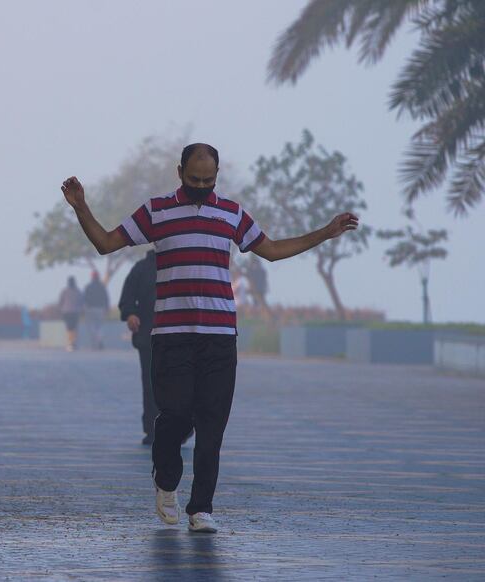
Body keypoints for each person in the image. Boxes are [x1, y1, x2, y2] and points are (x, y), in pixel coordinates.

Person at [61, 143, 358, 533]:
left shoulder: (232, 213)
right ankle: (166, 481)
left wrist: (325, 233)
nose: (201, 186)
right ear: (179, 171)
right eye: (194, 179)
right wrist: (82, 207)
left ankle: (201, 508)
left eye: (209, 180)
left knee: (212, 424)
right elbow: (106, 243)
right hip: (171, 336)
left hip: (219, 337)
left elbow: (270, 250)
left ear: (218, 174)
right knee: (175, 414)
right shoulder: (156, 211)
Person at [119, 250, 158, 445]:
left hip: (180, 335)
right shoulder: (141, 269)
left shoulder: (183, 265)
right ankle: (152, 429)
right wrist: (130, 314)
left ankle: (181, 429)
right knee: (150, 385)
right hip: (148, 336)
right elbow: (127, 298)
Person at [82, 270, 110, 349]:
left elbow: (84, 298)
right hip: (100, 309)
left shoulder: (88, 286)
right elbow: (106, 298)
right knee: (100, 326)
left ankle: (95, 341)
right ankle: (99, 340)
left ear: (92, 277)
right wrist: (107, 308)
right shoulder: (102, 287)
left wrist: (84, 309)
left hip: (90, 309)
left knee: (92, 326)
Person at [58, 276, 83, 352]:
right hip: (75, 312)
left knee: (69, 328)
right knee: (74, 328)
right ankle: (72, 343)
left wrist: (61, 309)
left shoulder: (64, 291)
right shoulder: (78, 291)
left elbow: (60, 301)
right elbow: (81, 301)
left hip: (66, 312)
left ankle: (70, 343)